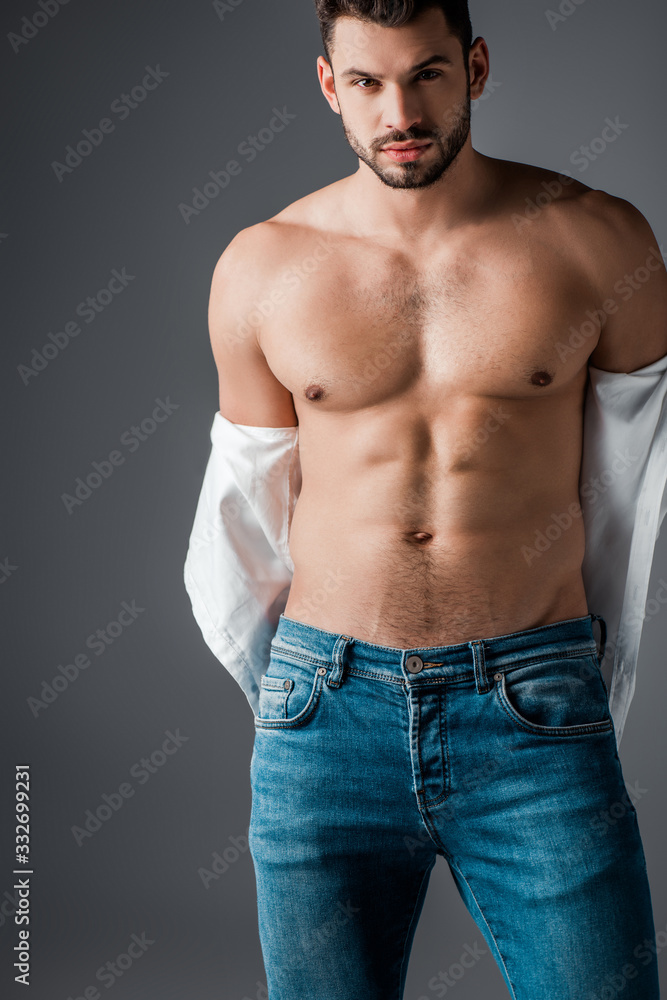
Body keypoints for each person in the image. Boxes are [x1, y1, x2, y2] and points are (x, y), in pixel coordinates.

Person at [189, 2, 667, 996]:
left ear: (476, 67)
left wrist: (584, 682)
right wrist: (291, 701)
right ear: (329, 87)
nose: (398, 108)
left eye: (426, 74)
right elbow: (242, 511)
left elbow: (634, 491)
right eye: (365, 81)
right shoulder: (262, 267)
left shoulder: (598, 243)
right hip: (325, 714)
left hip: (532, 709)